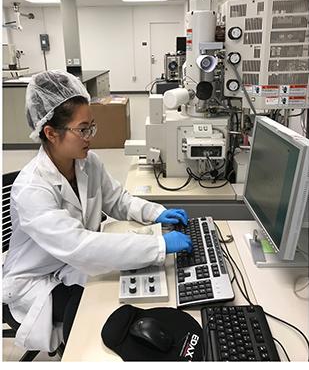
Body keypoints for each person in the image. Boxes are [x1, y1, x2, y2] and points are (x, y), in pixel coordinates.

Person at [2, 70, 194, 354]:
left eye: (91, 126)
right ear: (51, 133)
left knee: (128, 293)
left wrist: (154, 213)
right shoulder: (32, 188)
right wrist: (158, 245)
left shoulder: (87, 162)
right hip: (38, 281)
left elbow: (117, 199)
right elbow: (79, 245)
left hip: (73, 265)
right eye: (82, 130)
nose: (90, 137)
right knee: (98, 318)